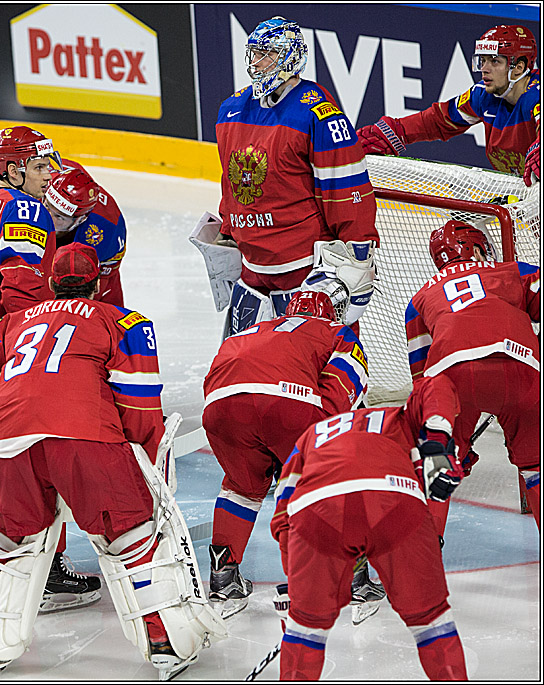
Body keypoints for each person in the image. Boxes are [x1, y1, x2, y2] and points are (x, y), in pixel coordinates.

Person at [0, 243, 227, 680]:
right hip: (86, 438)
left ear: (49, 282)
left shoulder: (6, 325)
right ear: (100, 282)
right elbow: (139, 405)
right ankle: (163, 641)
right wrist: (146, 467)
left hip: (6, 443)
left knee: (5, 544)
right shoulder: (125, 321)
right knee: (132, 538)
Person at [0, 125, 99, 611]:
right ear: (12, 170)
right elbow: (21, 291)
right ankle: (45, 573)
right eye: (40, 166)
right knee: (35, 459)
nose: (51, 174)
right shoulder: (24, 208)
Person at [270, 375, 467, 680]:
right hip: (393, 497)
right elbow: (437, 384)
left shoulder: (311, 435)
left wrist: (296, 581)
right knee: (432, 621)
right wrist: (438, 442)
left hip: (317, 509)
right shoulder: (397, 417)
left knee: (304, 629)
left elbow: (284, 508)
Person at [201, 280, 372, 619]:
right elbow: (340, 395)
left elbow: (218, 377)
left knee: (241, 488)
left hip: (219, 408)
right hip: (287, 402)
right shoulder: (338, 333)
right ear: (332, 312)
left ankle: (224, 579)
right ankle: (353, 580)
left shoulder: (250, 330)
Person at [211, 16, 378, 339]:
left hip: (303, 270)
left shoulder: (318, 113)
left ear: (290, 57)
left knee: (321, 365)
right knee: (245, 362)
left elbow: (345, 187)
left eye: (267, 54)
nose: (257, 63)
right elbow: (231, 182)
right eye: (254, 54)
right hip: (253, 264)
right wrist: (228, 228)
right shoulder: (230, 109)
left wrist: (358, 251)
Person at [406, 220, 540, 530]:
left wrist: (444, 444)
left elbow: (423, 382)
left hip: (452, 376)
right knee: (536, 466)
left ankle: (422, 560)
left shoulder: (419, 300)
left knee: (436, 466)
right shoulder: (512, 270)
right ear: (477, 248)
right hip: (519, 365)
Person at [358, 25, 540, 186]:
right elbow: (438, 120)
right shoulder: (483, 96)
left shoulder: (536, 97)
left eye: (494, 61)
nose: (484, 68)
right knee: (458, 226)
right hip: (524, 193)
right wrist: (396, 131)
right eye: (482, 60)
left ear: (519, 67)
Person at [43, 165, 128, 306]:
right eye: (46, 207)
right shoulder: (38, 186)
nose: (48, 218)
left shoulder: (106, 230)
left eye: (59, 217)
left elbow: (98, 286)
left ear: (80, 219)